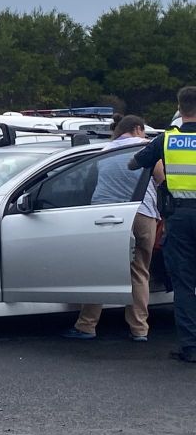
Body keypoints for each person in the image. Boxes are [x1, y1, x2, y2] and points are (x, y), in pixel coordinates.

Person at [63, 115, 162, 341]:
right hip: (142, 213)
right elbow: (160, 177)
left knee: (99, 270)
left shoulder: (103, 152)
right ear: (137, 129)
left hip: (104, 215)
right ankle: (139, 329)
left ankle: (86, 325)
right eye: (144, 131)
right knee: (139, 271)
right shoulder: (146, 148)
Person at [129, 86, 196, 363]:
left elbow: (134, 164)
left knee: (184, 286)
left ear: (179, 110)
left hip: (179, 220)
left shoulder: (167, 141)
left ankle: (190, 347)